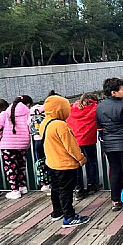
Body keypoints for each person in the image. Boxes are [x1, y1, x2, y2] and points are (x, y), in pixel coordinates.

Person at [41, 94, 90, 228]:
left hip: (52, 162)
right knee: (66, 190)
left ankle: (57, 212)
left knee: (56, 189)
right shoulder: (61, 125)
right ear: (60, 109)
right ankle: (69, 216)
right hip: (65, 164)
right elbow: (71, 146)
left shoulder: (45, 123)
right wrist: (81, 159)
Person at [96, 78, 123, 211]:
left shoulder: (100, 106)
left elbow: (99, 129)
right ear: (114, 92)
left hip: (108, 144)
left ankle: (116, 200)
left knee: (114, 171)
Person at [0, 95, 33, 200]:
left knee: (11, 167)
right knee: (21, 166)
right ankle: (22, 186)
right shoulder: (28, 113)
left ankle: (14, 190)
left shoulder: (5, 114)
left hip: (8, 145)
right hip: (23, 143)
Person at [67, 93, 102, 199]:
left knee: (76, 165)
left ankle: (78, 189)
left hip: (74, 140)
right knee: (91, 162)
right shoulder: (95, 108)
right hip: (88, 141)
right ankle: (92, 185)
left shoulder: (71, 108)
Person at [29, 102, 51, 192]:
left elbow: (28, 126)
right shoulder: (45, 110)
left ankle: (44, 184)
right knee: (50, 161)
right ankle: (52, 183)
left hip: (36, 140)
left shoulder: (31, 114)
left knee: (40, 162)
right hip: (46, 140)